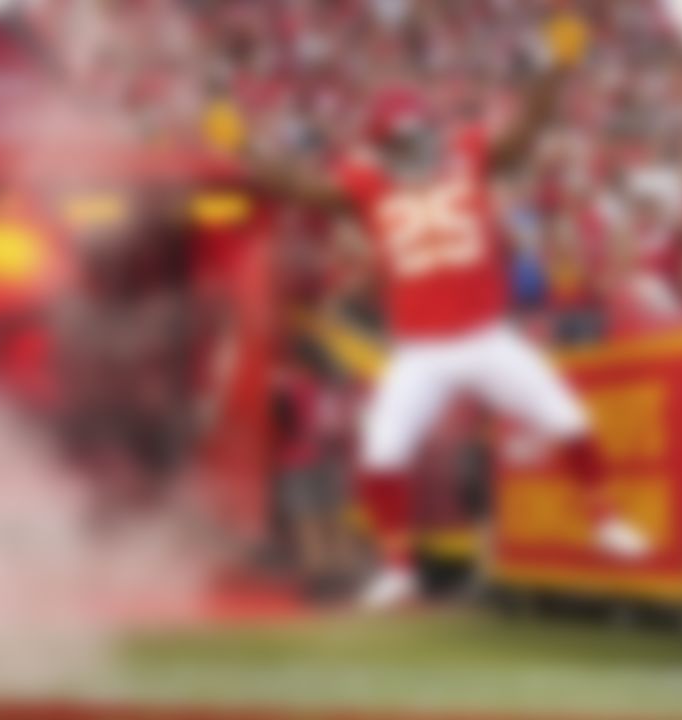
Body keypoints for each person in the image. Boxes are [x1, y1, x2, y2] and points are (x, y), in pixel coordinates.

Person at [240, 11, 651, 610]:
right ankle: (399, 566)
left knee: (565, 417)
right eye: (400, 141)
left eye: (416, 135)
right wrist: (246, 153)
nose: (414, 147)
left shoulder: (467, 153)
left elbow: (525, 132)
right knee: (383, 446)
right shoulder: (368, 184)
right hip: (422, 348)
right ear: (384, 145)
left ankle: (606, 519)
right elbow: (297, 185)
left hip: (486, 335)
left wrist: (557, 69)